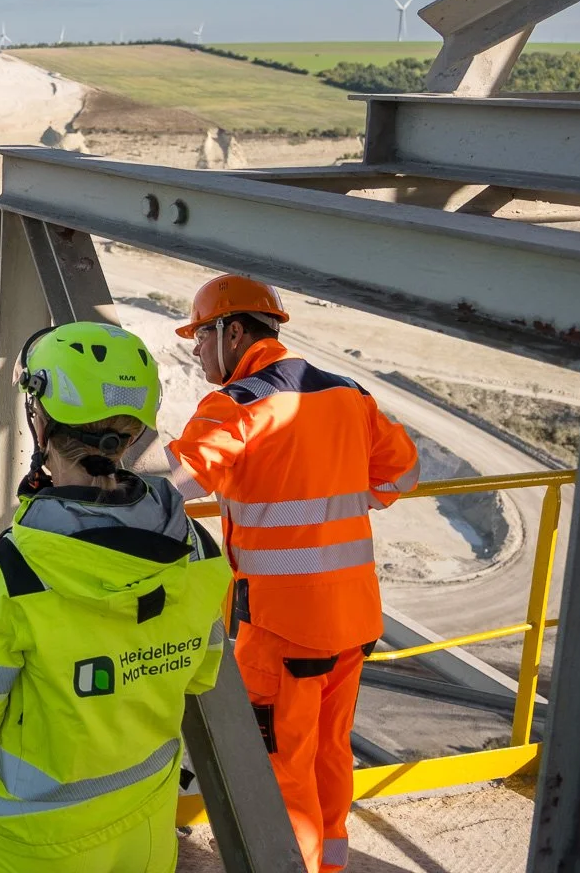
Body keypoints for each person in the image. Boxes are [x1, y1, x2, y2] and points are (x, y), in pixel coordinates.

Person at [0, 321, 231, 873]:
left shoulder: (16, 570)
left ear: (41, 421)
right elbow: (200, 675)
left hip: (29, 843)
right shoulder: (197, 549)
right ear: (133, 432)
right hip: (144, 832)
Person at [165, 275, 418, 873]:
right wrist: (341, 494)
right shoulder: (347, 394)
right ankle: (330, 865)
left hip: (283, 628)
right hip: (354, 619)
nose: (196, 350)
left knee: (281, 772)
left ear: (232, 332)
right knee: (329, 754)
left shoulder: (239, 404)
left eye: (200, 336)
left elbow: (172, 486)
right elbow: (403, 475)